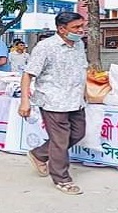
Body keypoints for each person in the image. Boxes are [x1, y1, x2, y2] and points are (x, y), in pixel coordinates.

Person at [19, 12, 88, 195]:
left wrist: (86, 93)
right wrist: (24, 101)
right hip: (53, 100)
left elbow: (81, 70)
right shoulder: (45, 47)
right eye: (76, 27)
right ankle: (62, 179)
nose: (81, 30)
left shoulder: (79, 45)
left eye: (82, 26)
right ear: (61, 29)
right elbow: (28, 74)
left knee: (78, 133)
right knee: (60, 140)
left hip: (75, 99)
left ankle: (39, 154)